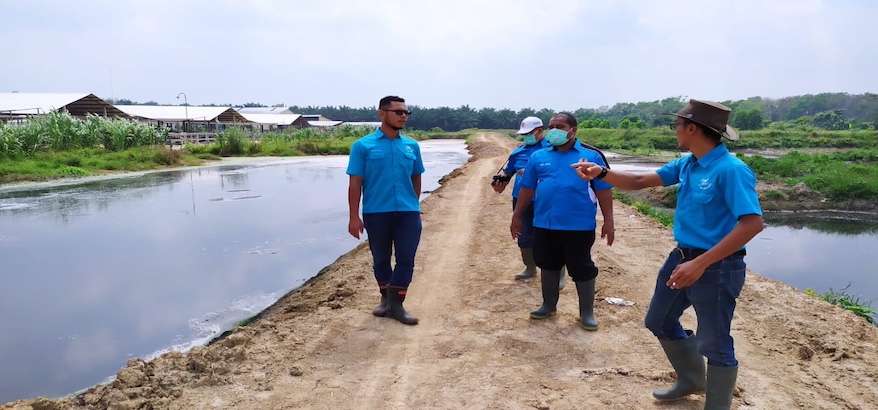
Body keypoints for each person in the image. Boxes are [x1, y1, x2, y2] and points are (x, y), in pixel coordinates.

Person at [572, 99, 764, 409]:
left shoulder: (731, 170)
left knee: (715, 342)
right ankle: (691, 379)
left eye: (677, 124)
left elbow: (753, 223)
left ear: (692, 128)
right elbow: (638, 181)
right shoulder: (688, 163)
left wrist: (700, 264)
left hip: (717, 267)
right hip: (682, 258)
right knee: (659, 320)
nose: (674, 129)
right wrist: (601, 172)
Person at [510, 113, 615, 330]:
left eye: (560, 126)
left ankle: (586, 313)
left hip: (578, 225)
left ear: (573, 130)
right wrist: (517, 215)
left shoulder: (591, 157)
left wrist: (609, 220)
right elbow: (527, 187)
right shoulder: (538, 157)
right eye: (551, 126)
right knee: (547, 264)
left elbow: (603, 190)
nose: (554, 130)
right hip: (544, 223)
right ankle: (548, 305)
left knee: (582, 267)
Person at [346, 95, 424, 326]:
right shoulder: (363, 146)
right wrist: (353, 217)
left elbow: (416, 177)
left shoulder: (412, 145)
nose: (403, 116)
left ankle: (396, 305)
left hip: (408, 213)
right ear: (382, 114)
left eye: (406, 113)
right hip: (376, 213)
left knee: (406, 259)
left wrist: (414, 203)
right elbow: (355, 183)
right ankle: (385, 299)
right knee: (380, 258)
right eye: (398, 112)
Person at [491, 117, 557, 283]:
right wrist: (501, 180)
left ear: (539, 131)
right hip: (521, 198)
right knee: (524, 234)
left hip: (546, 199)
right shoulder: (517, 152)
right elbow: (509, 171)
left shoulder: (553, 149)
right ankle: (530, 267)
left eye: (529, 133)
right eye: (524, 134)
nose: (526, 137)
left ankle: (557, 274)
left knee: (551, 236)